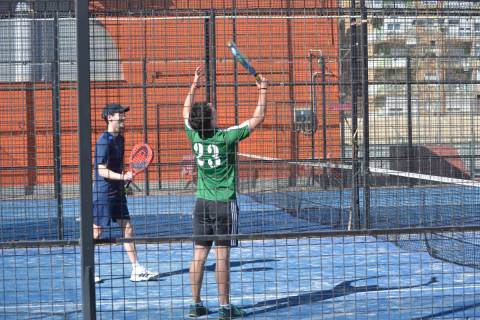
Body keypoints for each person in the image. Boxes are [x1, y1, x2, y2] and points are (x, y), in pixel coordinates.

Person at [183, 67, 268, 319]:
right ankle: (224, 307)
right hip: (224, 204)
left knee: (199, 254)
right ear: (209, 119)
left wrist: (193, 85)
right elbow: (258, 118)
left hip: (202, 203)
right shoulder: (226, 138)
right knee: (222, 256)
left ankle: (195, 304)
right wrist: (263, 90)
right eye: (210, 109)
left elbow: (185, 112)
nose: (212, 107)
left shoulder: (193, 134)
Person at [93, 103, 159, 283]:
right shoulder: (103, 142)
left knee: (127, 228)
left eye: (123, 114)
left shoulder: (120, 139)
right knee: (97, 231)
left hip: (117, 192)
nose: (123, 117)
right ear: (109, 117)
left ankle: (137, 269)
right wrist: (122, 177)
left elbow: (116, 167)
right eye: (119, 114)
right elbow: (101, 170)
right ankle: (88, 268)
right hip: (103, 193)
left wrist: (125, 178)